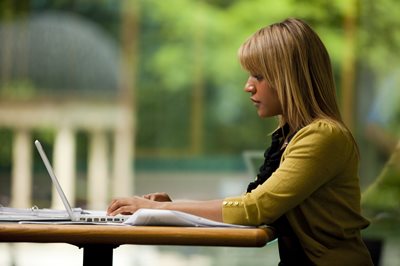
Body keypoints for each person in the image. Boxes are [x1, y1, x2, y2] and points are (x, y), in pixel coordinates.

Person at [107, 18, 373, 265]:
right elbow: (250, 204)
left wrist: (160, 208)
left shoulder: (322, 136)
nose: (248, 86)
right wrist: (170, 208)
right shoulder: (293, 135)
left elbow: (255, 208)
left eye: (259, 75)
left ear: (290, 78)